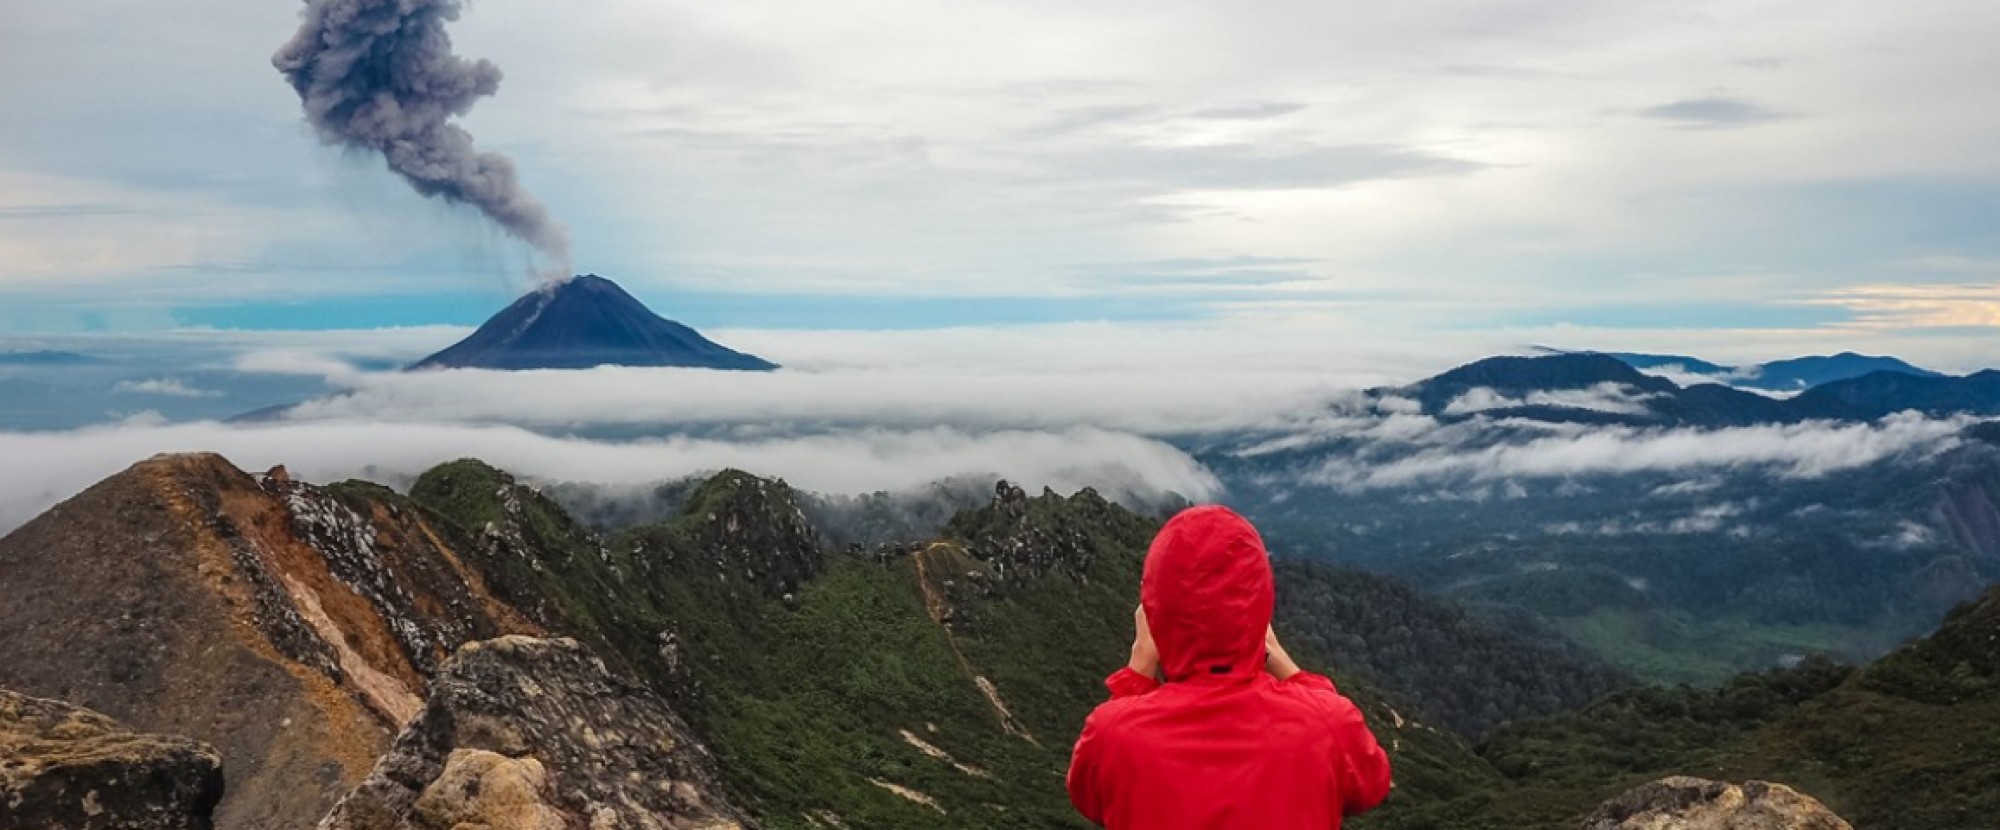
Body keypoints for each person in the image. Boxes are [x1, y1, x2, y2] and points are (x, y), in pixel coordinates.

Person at [1066, 505, 1393, 829]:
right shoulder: (1326, 725)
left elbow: (1091, 796)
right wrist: (1282, 661)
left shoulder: (1112, 736)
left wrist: (1137, 671)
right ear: (1262, 598)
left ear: (1152, 610)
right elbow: (1370, 784)